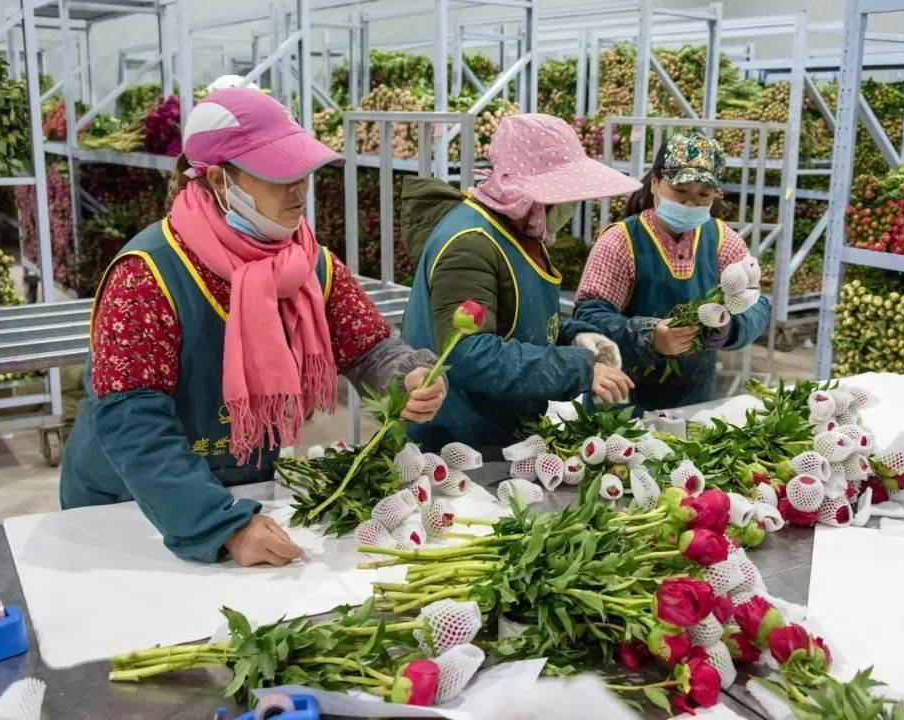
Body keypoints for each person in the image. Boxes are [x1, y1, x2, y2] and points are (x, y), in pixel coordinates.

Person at [60, 88, 447, 566]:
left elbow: (368, 347)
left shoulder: (305, 263)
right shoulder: (149, 274)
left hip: (241, 488)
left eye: (302, 172)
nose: (298, 189)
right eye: (277, 175)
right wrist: (219, 523)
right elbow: (132, 422)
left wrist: (404, 378)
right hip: (133, 507)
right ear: (220, 180)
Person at [400, 113, 639, 451]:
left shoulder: (520, 232)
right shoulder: (471, 242)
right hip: (454, 442)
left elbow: (522, 322)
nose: (566, 205)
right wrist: (579, 369)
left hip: (502, 430)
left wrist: (576, 337)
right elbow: (469, 354)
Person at [574, 131, 771, 411]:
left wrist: (732, 327)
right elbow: (589, 317)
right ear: (654, 183)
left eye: (703, 195)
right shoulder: (621, 241)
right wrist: (649, 336)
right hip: (621, 402)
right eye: (680, 192)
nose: (690, 203)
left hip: (695, 404)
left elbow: (757, 303)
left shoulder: (721, 239)